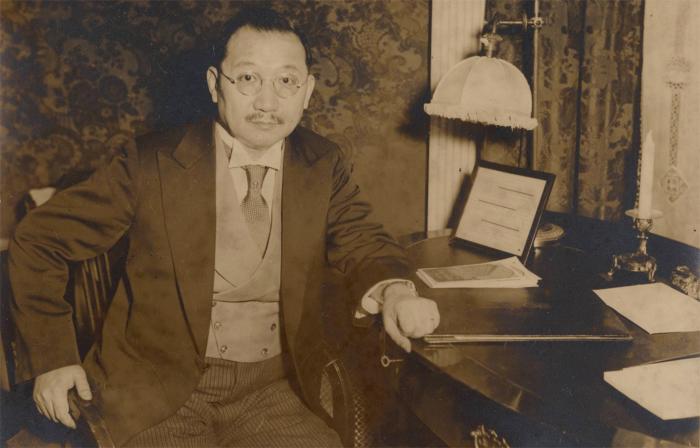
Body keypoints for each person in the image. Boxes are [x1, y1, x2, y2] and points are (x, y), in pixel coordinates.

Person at [9, 7, 439, 447]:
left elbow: (365, 241)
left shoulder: (322, 164)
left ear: (307, 91)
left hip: (274, 391)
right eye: (249, 79)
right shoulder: (151, 164)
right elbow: (38, 242)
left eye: (286, 81)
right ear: (216, 84)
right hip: (156, 391)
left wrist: (396, 291)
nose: (268, 103)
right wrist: (53, 358)